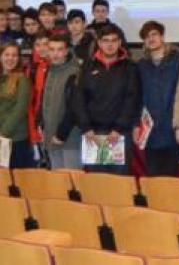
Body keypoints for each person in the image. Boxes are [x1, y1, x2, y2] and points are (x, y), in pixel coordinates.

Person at [72, 24, 141, 174]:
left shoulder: (130, 67)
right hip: (93, 133)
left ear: (120, 43)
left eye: (114, 40)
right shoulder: (88, 66)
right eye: (106, 40)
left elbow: (132, 99)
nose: (110, 44)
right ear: (99, 43)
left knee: (119, 183)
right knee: (96, 183)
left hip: (119, 134)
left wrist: (118, 129)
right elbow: (79, 98)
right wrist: (86, 128)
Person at [136, 21, 179, 176]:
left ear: (162, 36)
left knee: (171, 179)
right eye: (146, 36)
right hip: (150, 131)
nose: (151, 38)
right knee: (153, 179)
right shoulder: (141, 65)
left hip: (172, 128)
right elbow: (137, 97)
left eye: (154, 34)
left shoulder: (178, 60)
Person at [39, 34, 81, 170]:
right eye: (52, 49)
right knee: (57, 184)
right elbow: (45, 101)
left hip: (70, 139)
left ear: (67, 50)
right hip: (51, 137)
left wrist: (61, 134)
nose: (55, 54)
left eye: (59, 49)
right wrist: (41, 124)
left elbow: (75, 108)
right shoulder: (49, 71)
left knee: (73, 184)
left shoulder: (75, 73)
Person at [0, 43, 34, 168]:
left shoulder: (22, 80)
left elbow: (20, 109)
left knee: (16, 181)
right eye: (6, 55)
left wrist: (3, 133)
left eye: (14, 55)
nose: (10, 58)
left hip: (15, 139)